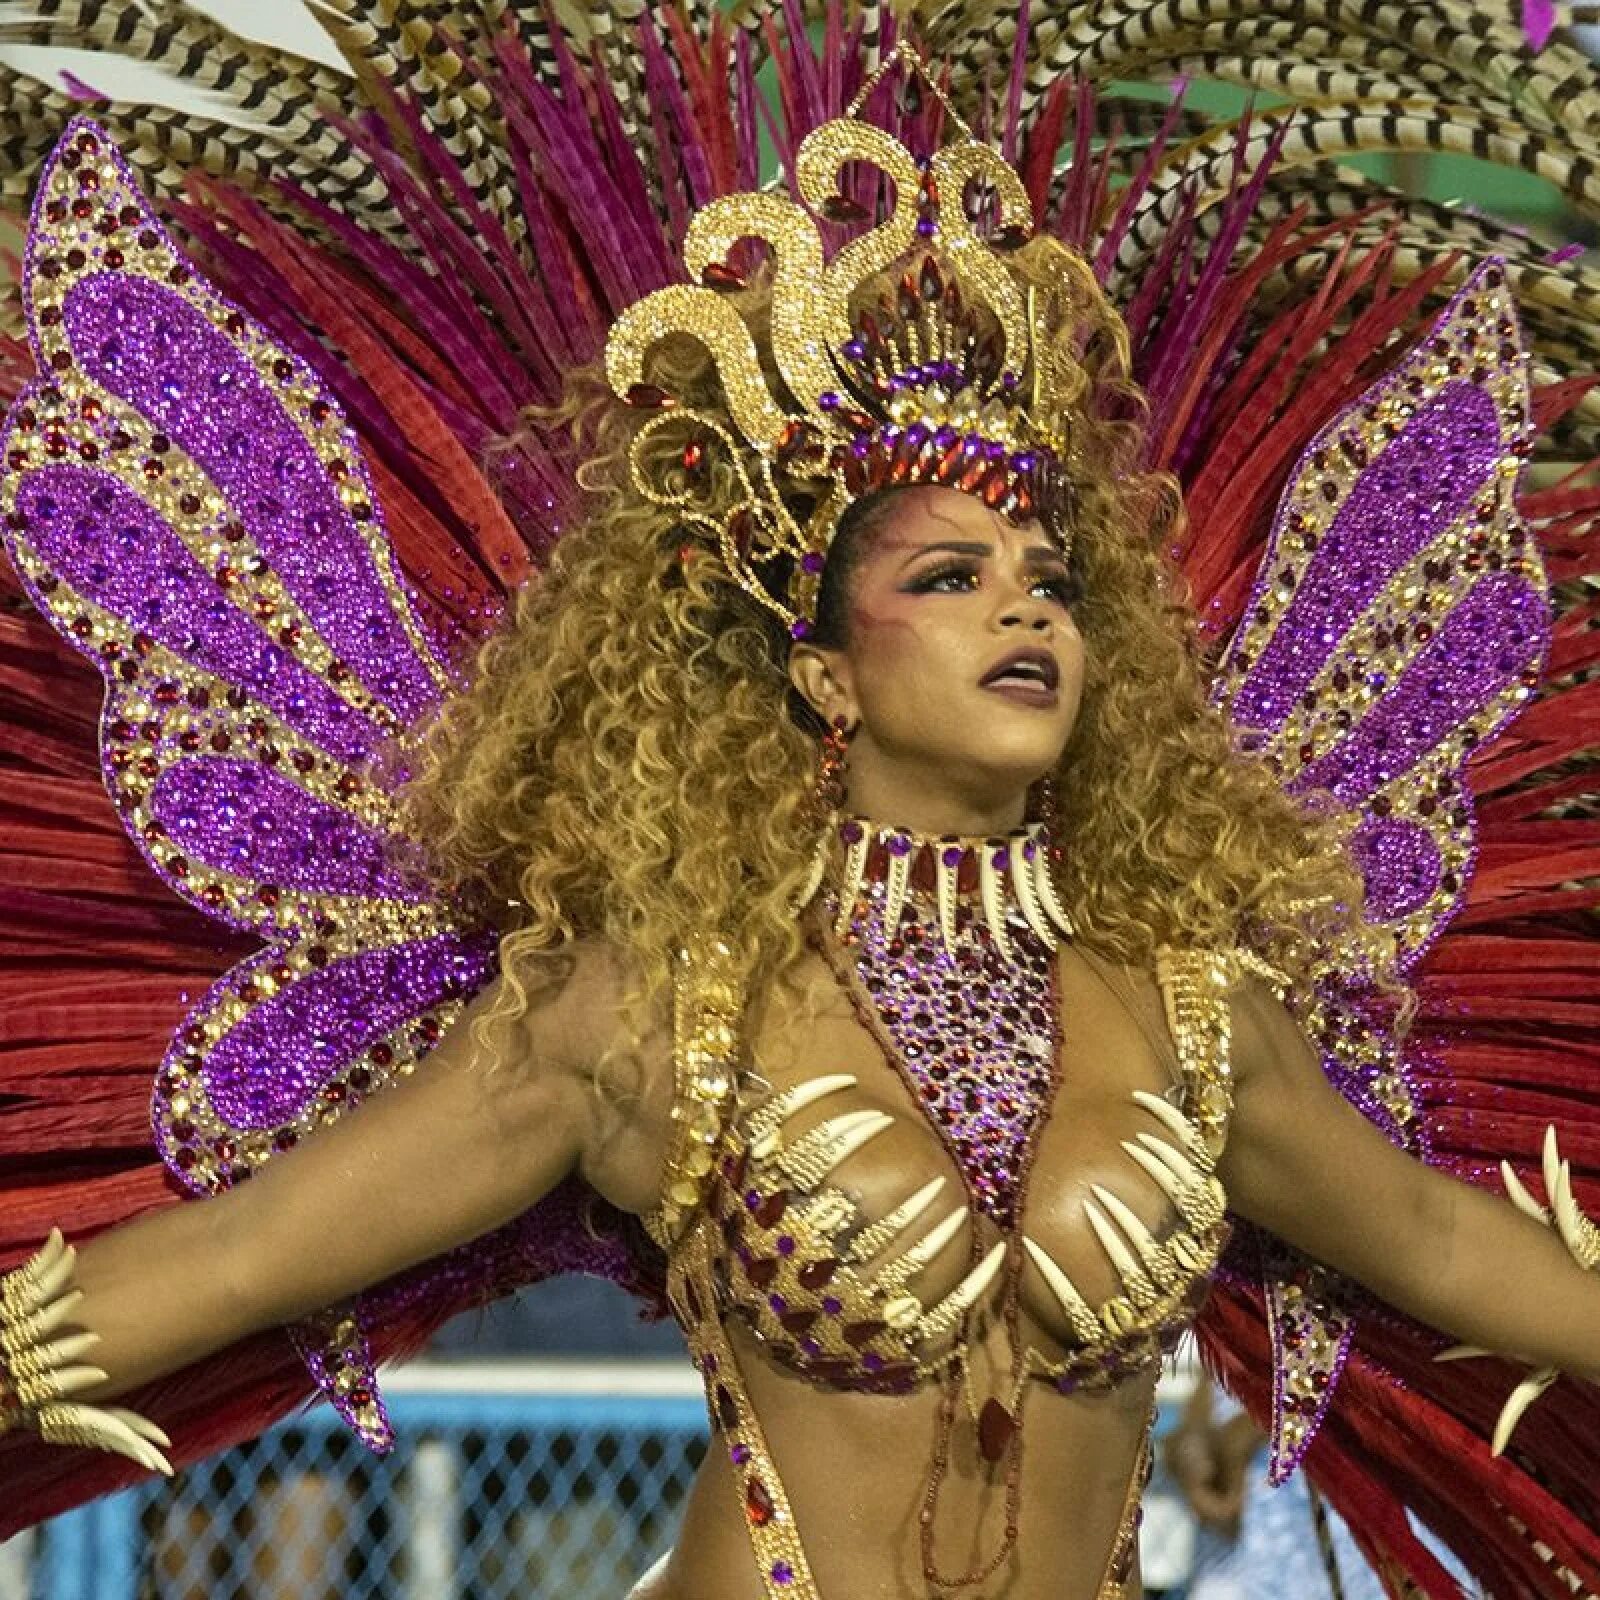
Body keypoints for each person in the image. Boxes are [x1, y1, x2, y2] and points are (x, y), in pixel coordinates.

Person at [0, 10, 1597, 1600]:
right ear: (824, 674)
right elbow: (238, 1255)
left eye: (1053, 583)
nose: (1028, 613)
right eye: (954, 579)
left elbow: (1442, 1246)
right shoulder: (651, 1006)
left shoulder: (1200, 1010)